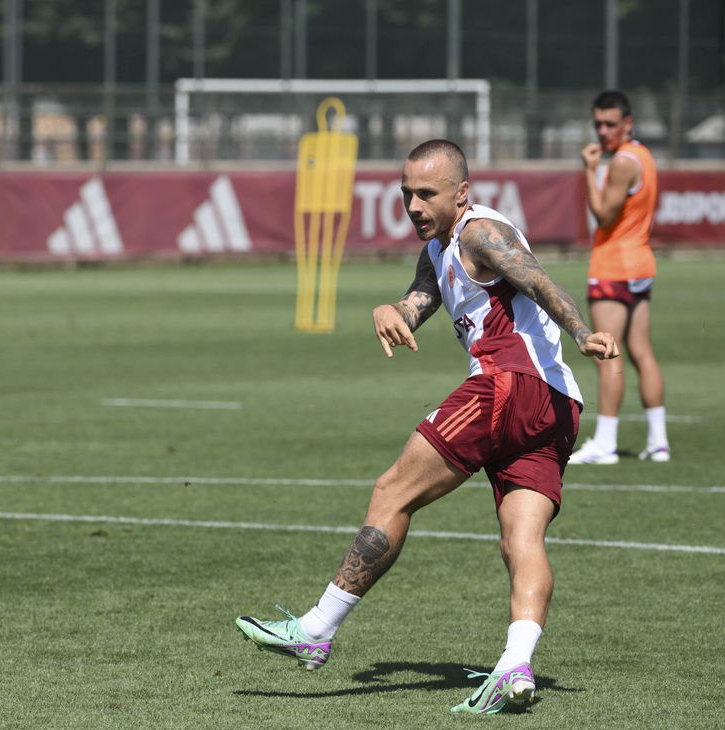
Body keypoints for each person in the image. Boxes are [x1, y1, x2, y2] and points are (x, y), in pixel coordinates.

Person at [234, 140, 619, 715]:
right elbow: (421, 300)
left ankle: (317, 626)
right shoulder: (439, 248)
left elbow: (536, 279)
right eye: (406, 193)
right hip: (559, 406)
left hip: (507, 384)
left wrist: (581, 329)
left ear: (462, 193)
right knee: (521, 540)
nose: (413, 205)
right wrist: (392, 311)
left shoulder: (477, 232)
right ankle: (515, 667)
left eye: (426, 194)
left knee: (393, 490)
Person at [569, 90, 668, 465]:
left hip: (613, 265)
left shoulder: (623, 162)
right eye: (598, 124)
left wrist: (590, 170)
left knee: (606, 354)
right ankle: (658, 442)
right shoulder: (643, 155)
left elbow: (604, 214)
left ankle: (606, 443)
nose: (603, 131)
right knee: (641, 351)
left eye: (611, 124)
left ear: (628, 123)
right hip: (640, 263)